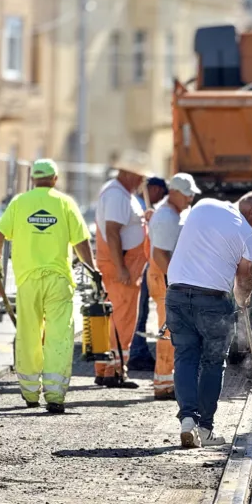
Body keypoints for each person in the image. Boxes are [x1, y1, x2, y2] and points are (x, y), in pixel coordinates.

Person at [0, 159, 100, 414]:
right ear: (55, 179)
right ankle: (55, 395)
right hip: (58, 280)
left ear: (33, 179)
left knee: (28, 334)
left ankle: (29, 393)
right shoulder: (64, 203)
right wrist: (92, 269)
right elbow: (82, 242)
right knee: (59, 336)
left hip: (28, 281)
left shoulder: (19, 203)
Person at [166, 192, 252, 448]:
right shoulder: (249, 235)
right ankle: (204, 429)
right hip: (212, 301)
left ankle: (187, 421)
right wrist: (243, 300)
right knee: (213, 363)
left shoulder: (204, 205)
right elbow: (244, 278)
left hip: (177, 293)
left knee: (185, 357)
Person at [94, 157, 150, 387]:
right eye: (139, 177)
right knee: (121, 320)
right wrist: (121, 268)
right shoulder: (117, 195)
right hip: (122, 268)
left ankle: (108, 369)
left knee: (117, 318)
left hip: (125, 267)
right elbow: (113, 232)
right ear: (128, 174)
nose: (142, 181)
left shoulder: (120, 193)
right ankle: (114, 371)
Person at [147, 174, 199, 400]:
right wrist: (175, 281)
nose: (191, 198)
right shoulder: (166, 217)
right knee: (169, 330)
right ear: (175, 193)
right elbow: (159, 253)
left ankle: (168, 381)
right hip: (165, 276)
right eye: (188, 194)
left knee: (174, 330)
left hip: (170, 276)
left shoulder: (175, 213)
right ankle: (164, 384)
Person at [128, 176, 169, 371]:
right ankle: (135, 353)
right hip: (139, 264)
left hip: (143, 264)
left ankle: (136, 351)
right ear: (153, 189)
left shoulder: (139, 204)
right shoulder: (138, 204)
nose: (161, 196)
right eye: (160, 192)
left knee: (140, 311)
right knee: (138, 311)